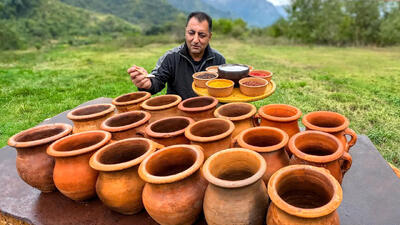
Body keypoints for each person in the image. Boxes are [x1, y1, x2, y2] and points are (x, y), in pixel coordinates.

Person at [127, 11, 226, 100]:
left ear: (209, 37)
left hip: (208, 111)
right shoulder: (171, 57)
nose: (195, 40)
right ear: (185, 32)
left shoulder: (218, 60)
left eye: (202, 35)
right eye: (191, 33)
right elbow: (157, 81)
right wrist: (146, 84)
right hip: (177, 113)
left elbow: (224, 89)